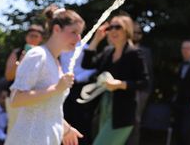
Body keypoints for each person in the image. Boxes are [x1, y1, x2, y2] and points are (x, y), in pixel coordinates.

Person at [6, 5, 84, 145]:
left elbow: (47, 106)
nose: (78, 38)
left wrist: (66, 129)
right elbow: (16, 99)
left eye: (80, 33)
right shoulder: (38, 55)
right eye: (73, 32)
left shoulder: (55, 62)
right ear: (56, 29)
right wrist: (56, 88)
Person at [82, 14, 149, 145]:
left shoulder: (134, 53)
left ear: (127, 30)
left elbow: (144, 82)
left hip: (122, 115)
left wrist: (120, 84)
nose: (113, 30)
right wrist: (96, 40)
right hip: (104, 108)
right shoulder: (108, 52)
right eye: (110, 27)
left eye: (117, 27)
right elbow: (87, 64)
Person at [4, 22, 45, 132]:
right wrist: (20, 62)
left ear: (41, 38)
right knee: (14, 129)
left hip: (35, 97)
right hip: (14, 97)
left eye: (36, 36)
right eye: (30, 35)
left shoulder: (44, 55)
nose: (33, 38)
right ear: (26, 37)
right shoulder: (17, 53)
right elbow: (8, 76)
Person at [60, 42, 97, 145]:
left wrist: (77, 79)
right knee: (64, 120)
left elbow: (92, 69)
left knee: (81, 123)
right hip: (63, 89)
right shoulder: (61, 47)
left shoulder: (85, 47)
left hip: (79, 89)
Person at [126, 22, 154, 145]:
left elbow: (149, 73)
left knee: (135, 121)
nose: (137, 35)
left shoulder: (146, 51)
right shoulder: (121, 50)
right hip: (124, 89)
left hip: (141, 92)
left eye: (139, 33)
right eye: (135, 32)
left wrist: (146, 91)